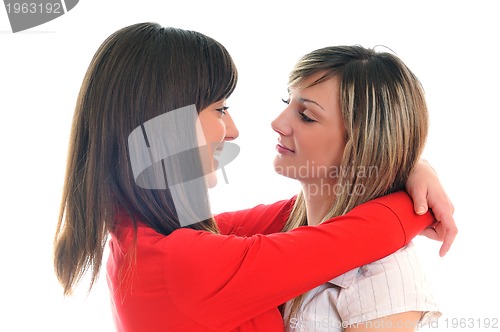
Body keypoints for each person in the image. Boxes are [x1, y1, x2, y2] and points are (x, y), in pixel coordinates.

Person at [52, 23, 456, 332]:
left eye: (306, 113)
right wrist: (414, 197)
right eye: (219, 110)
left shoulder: (141, 242)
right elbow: (351, 235)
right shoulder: (184, 266)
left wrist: (403, 165)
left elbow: (303, 218)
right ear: (165, 126)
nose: (233, 131)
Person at [272, 46, 446, 331]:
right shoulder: (283, 228)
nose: (277, 123)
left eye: (306, 115)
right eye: (286, 101)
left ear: (362, 144)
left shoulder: (384, 276)